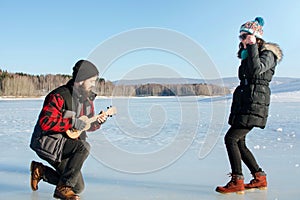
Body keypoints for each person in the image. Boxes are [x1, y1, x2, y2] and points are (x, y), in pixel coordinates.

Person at [216, 17, 282, 194]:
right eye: (241, 37)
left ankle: (237, 180)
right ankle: (259, 177)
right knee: (240, 142)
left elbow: (255, 70)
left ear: (255, 37)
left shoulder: (268, 54)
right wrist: (249, 50)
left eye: (246, 36)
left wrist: (252, 47)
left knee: (231, 139)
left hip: (255, 103)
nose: (242, 40)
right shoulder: (247, 55)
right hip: (245, 102)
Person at [30, 60, 108, 200]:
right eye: (91, 81)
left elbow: (86, 125)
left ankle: (41, 171)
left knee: (78, 187)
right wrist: (71, 122)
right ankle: (63, 189)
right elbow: (45, 122)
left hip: (66, 144)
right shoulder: (59, 96)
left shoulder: (87, 100)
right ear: (80, 79)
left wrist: (97, 122)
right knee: (83, 147)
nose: (93, 85)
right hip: (48, 143)